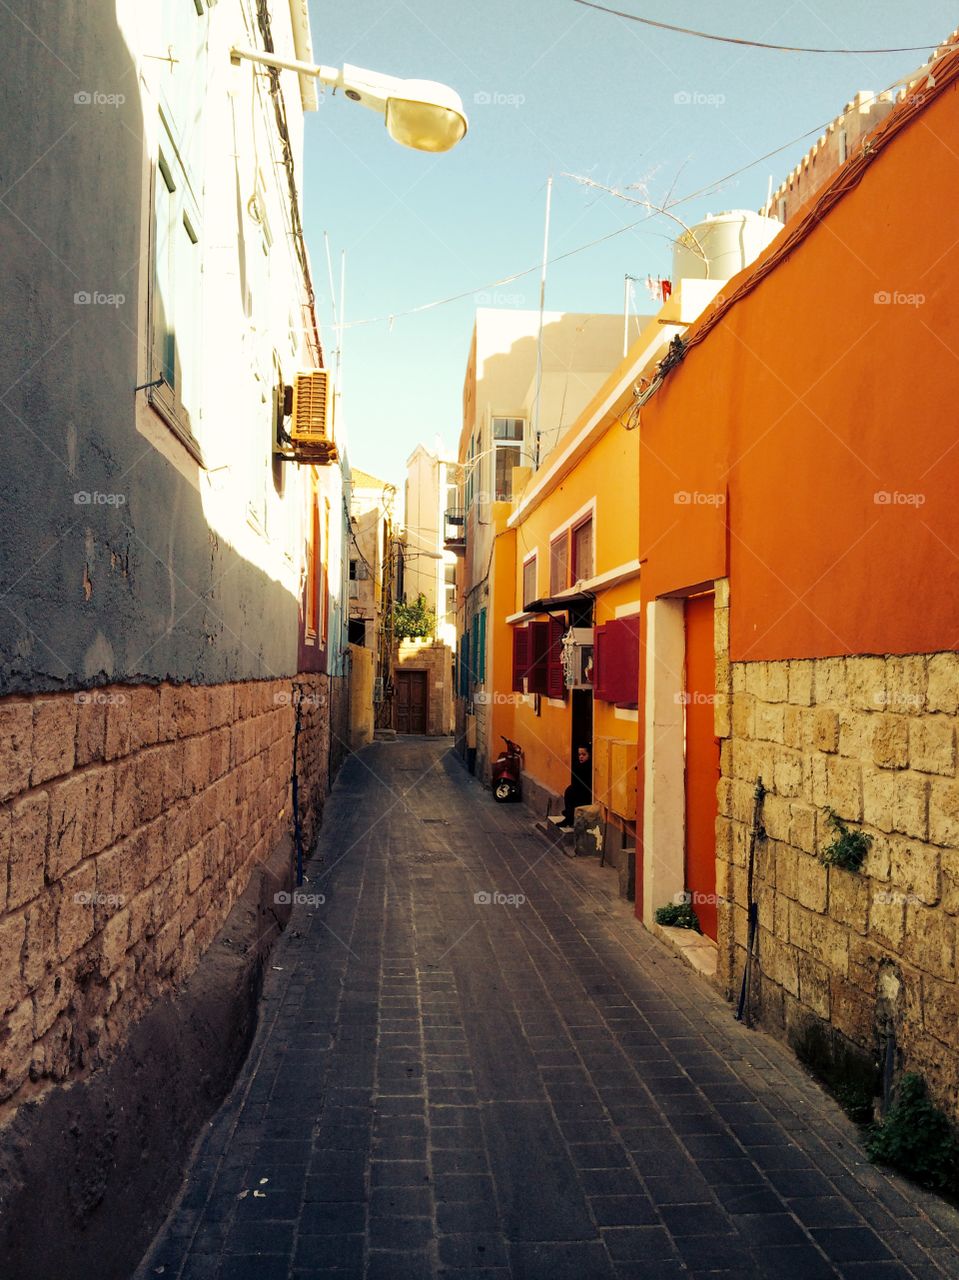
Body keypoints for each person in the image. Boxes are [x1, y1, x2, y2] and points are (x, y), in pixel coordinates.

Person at [562, 744, 592, 828]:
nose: (581, 757)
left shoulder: (589, 767)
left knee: (571, 793)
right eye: (579, 755)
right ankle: (568, 815)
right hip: (578, 792)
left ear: (589, 755)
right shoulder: (579, 765)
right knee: (570, 792)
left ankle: (569, 817)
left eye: (584, 754)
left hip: (585, 794)